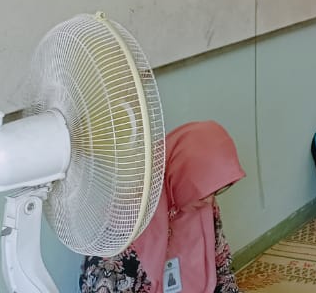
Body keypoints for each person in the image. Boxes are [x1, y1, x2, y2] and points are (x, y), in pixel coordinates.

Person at [81, 120, 245, 293]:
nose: (209, 199)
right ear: (180, 173)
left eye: (217, 190)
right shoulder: (125, 225)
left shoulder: (203, 204)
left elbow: (222, 270)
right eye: (205, 189)